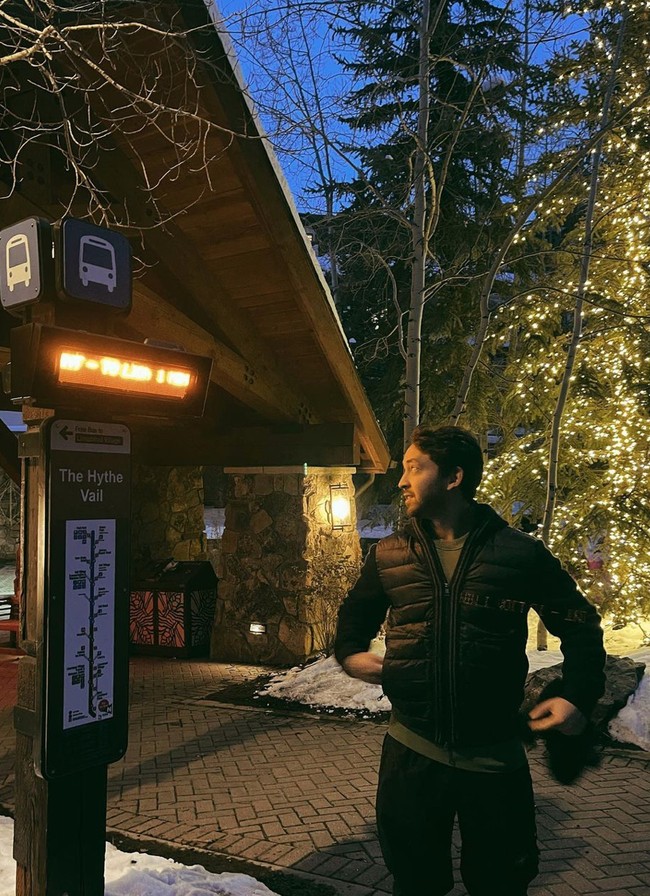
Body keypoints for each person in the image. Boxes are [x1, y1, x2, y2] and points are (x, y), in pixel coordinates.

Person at [335, 425, 606, 896]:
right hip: (411, 751)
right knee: (416, 881)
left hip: (494, 757)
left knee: (499, 883)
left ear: (454, 477)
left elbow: (581, 627)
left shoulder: (519, 554)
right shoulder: (389, 553)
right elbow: (355, 615)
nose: (402, 481)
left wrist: (575, 695)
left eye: (415, 468)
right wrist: (351, 651)